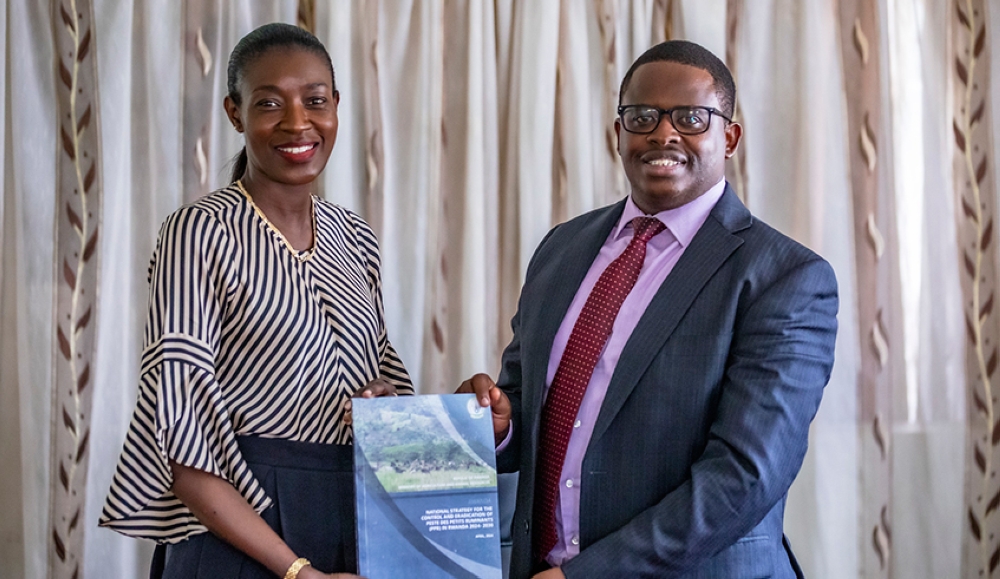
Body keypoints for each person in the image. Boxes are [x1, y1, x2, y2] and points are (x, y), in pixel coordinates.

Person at [460, 40, 838, 579]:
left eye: (691, 117)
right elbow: (530, 408)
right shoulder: (560, 249)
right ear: (619, 133)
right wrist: (498, 426)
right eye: (642, 116)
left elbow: (744, 476)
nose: (664, 133)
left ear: (728, 137)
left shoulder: (785, 277)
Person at [99, 23, 412, 579]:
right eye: (269, 103)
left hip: (353, 525)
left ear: (336, 105)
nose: (297, 122)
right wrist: (296, 571)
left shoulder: (355, 235)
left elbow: (385, 380)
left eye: (315, 101)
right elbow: (180, 435)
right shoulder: (198, 233)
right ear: (234, 113)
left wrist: (381, 399)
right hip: (238, 536)